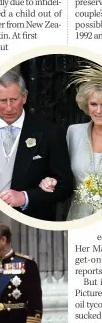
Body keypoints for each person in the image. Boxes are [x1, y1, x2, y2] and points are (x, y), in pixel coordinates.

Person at [0, 70, 74, 220]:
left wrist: (25, 197)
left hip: (31, 219)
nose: (9, 107)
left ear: (25, 96)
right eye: (3, 101)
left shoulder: (49, 132)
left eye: (14, 100)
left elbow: (65, 186)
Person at [39, 63, 102, 219]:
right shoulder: (74, 132)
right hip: (79, 218)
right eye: (94, 104)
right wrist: (49, 181)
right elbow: (61, 176)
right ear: (86, 105)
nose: (99, 111)